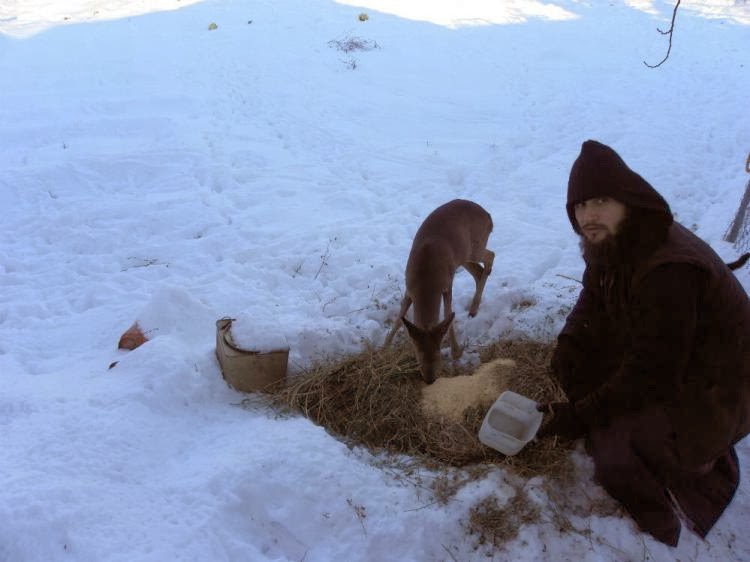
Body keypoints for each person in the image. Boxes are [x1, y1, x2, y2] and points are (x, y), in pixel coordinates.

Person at [537, 139, 750, 546]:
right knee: (581, 368)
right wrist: (569, 343)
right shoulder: (613, 239)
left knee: (617, 452)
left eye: (600, 200)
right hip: (676, 357)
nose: (588, 215)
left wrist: (581, 416)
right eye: (580, 206)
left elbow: (653, 372)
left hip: (722, 386)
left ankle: (696, 462)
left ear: (627, 201)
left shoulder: (669, 269)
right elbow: (593, 298)